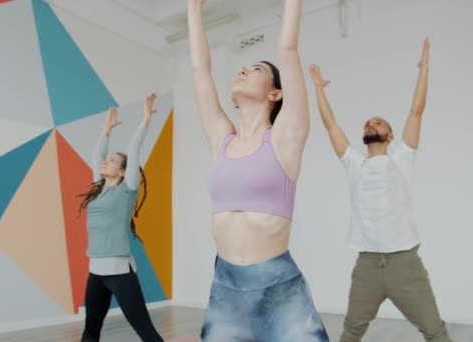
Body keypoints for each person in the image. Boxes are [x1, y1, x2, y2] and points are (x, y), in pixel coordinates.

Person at [187, 0, 329, 340]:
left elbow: (288, 48)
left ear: (276, 93)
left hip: (279, 289)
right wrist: (193, 8)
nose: (243, 70)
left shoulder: (285, 137)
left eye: (256, 69)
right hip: (226, 287)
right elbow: (200, 71)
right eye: (242, 69)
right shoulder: (221, 139)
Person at [309, 39, 452, 342]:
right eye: (368, 123)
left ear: (389, 136)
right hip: (367, 266)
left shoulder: (402, 158)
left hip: (405, 264)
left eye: (379, 122)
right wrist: (319, 89)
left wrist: (424, 70)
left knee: (435, 331)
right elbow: (330, 125)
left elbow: (416, 111)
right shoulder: (353, 164)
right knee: (351, 331)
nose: (371, 124)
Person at [78, 94, 163, 342]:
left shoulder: (127, 190)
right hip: (96, 271)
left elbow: (134, 149)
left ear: (124, 171)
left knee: (145, 330)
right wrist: (106, 129)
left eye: (112, 161)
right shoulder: (99, 188)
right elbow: (96, 156)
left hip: (119, 270)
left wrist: (145, 119)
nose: (105, 162)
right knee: (90, 329)